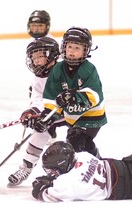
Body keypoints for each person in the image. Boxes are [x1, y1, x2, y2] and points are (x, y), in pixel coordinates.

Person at [31, 141, 132, 202]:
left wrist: (39, 188)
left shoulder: (65, 184)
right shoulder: (82, 156)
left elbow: (47, 195)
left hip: (125, 192)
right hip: (126, 170)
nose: (51, 174)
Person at [34, 27, 107, 159]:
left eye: (77, 48)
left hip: (91, 116)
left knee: (77, 143)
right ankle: (95, 163)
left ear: (86, 50)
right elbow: (51, 96)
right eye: (70, 47)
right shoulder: (57, 69)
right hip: (72, 116)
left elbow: (94, 95)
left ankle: (97, 164)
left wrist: (74, 97)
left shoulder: (89, 69)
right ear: (64, 47)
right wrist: (47, 117)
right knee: (76, 142)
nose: (72, 52)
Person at [7, 36, 65, 187]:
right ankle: (26, 167)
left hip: (72, 114)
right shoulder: (37, 78)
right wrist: (32, 113)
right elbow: (38, 99)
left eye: (41, 56)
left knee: (77, 140)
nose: (37, 60)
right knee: (39, 133)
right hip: (51, 114)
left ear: (52, 55)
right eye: (34, 57)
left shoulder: (63, 71)